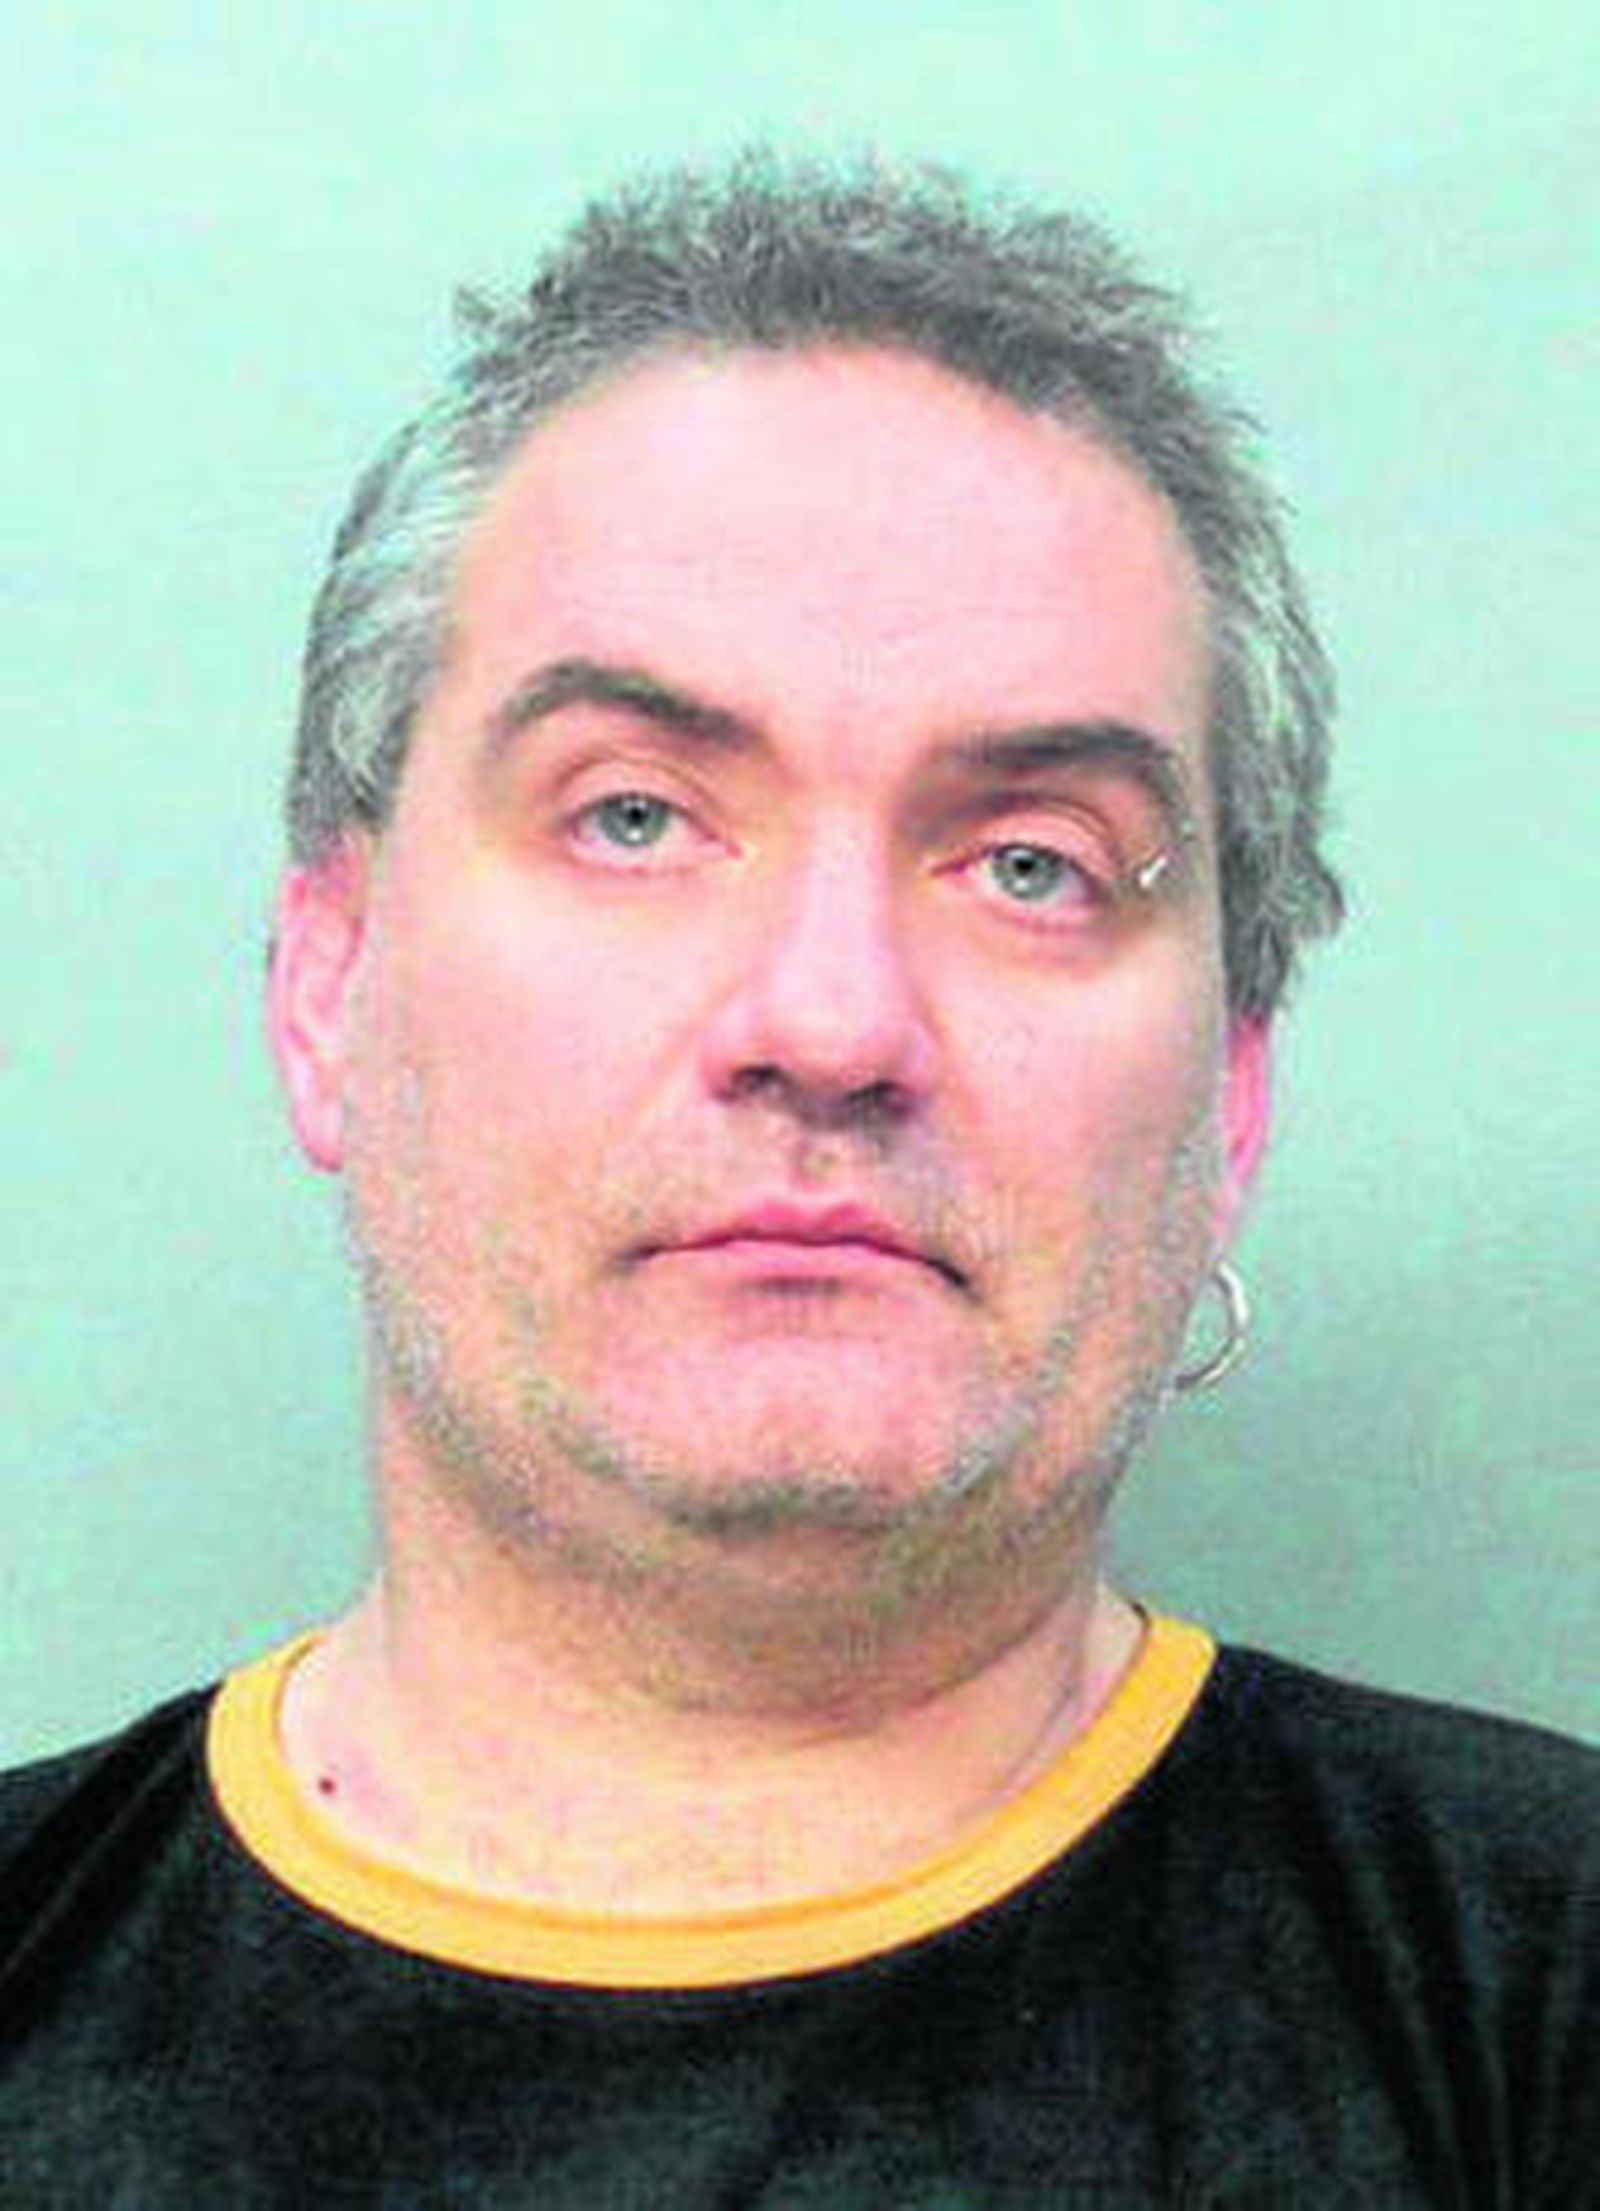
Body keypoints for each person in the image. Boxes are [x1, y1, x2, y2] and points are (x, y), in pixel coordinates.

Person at [2, 152, 1594, 2207]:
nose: (831, 1021)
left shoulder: (1530, 1998)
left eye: (1029, 861)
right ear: (329, 984)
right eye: (634, 816)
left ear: (1230, 1097)